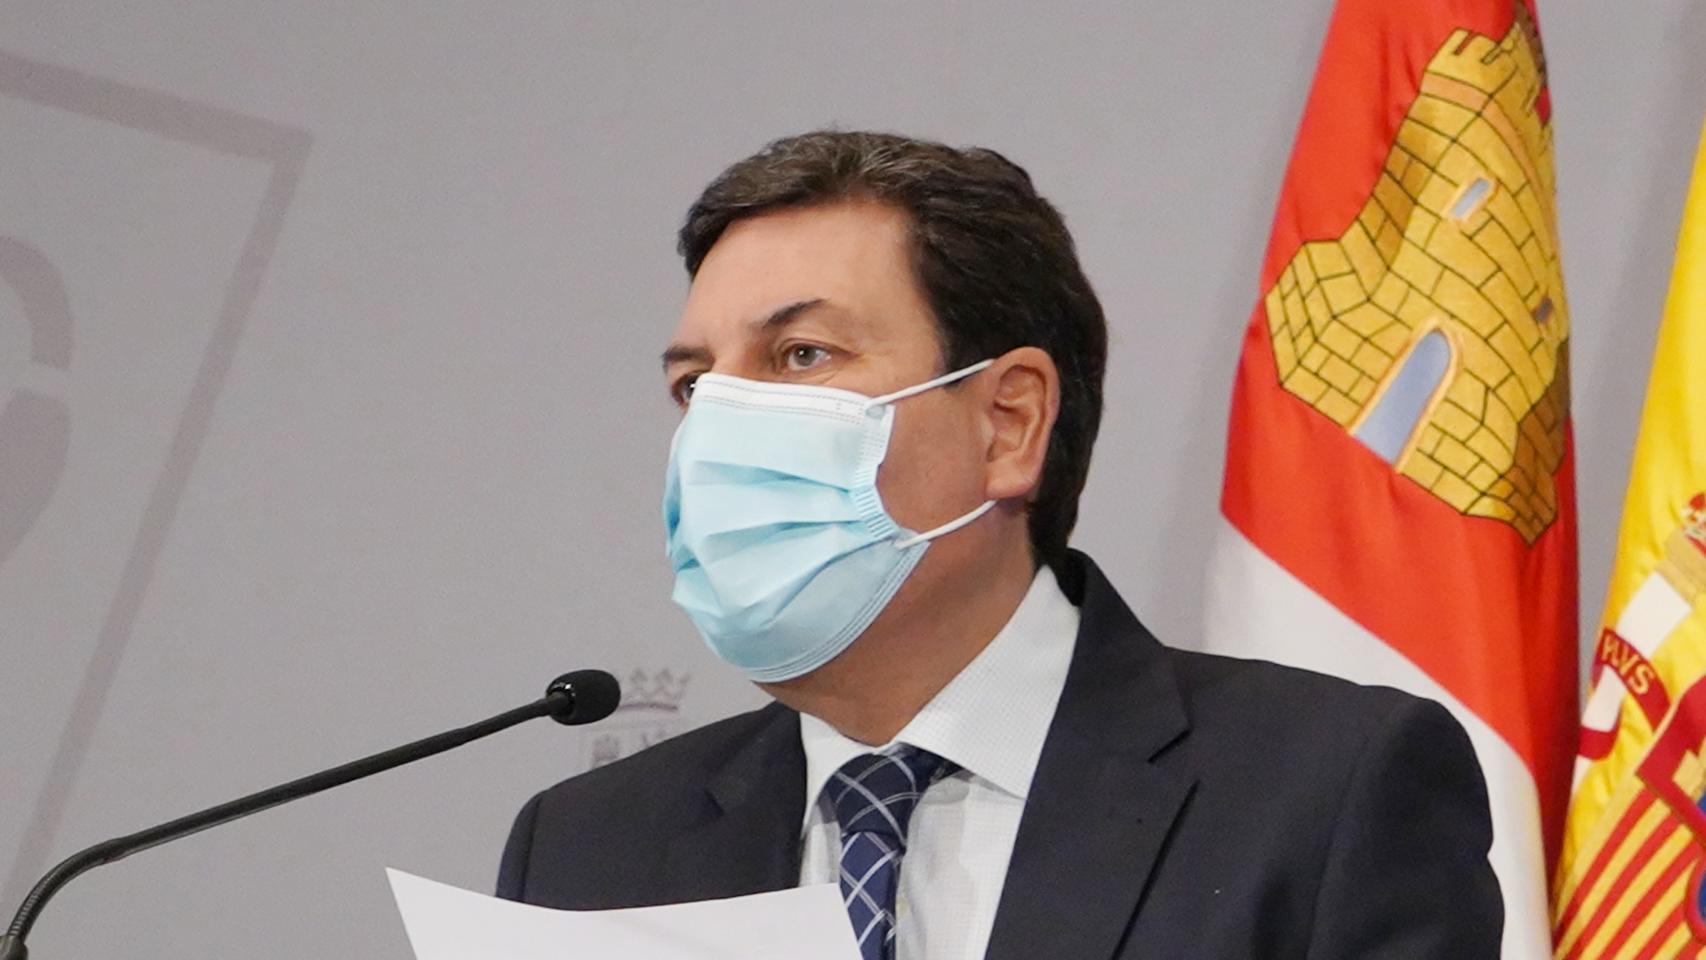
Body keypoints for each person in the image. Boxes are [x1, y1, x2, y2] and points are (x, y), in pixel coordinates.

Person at [497, 131, 1501, 959]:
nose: (720, 425)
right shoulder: (586, 855)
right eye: (694, 385)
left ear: (1008, 423)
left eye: (800, 355)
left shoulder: (1326, 791)